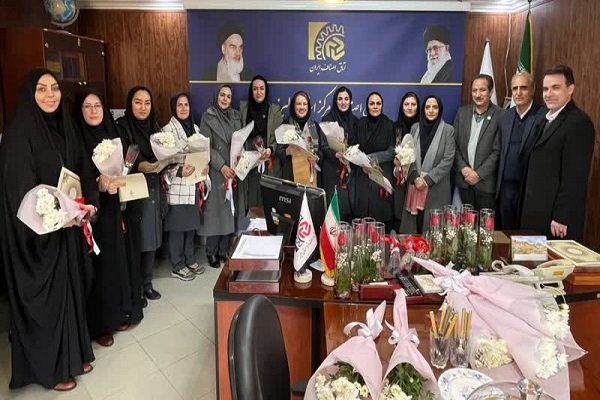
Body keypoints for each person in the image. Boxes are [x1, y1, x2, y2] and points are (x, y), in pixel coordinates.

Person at [0, 69, 97, 391]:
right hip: (37, 239)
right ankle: (50, 370)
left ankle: (73, 356)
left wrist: (87, 203)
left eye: (54, 88)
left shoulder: (64, 126)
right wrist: (55, 218)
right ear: (30, 94)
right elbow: (19, 191)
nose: (50, 95)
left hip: (67, 231)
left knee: (71, 294)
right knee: (49, 302)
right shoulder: (19, 133)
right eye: (41, 89)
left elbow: (82, 169)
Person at [72, 87, 144, 348]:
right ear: (79, 111)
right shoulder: (76, 138)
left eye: (97, 106)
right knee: (98, 267)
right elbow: (75, 174)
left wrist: (119, 177)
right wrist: (98, 183)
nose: (93, 111)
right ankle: (100, 324)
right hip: (90, 213)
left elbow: (124, 165)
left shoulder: (112, 133)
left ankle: (119, 312)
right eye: (87, 107)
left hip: (113, 208)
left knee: (115, 260)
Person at [520, 65, 595, 242]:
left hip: (555, 222)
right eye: (545, 89)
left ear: (570, 89)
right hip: (535, 212)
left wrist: (562, 216)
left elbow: (575, 176)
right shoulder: (545, 118)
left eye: (555, 88)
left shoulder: (579, 123)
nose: (548, 94)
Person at [115, 86, 164, 302]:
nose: (143, 107)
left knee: (150, 236)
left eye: (147, 103)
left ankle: (147, 283)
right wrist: (139, 166)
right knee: (135, 239)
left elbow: (163, 153)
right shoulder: (121, 127)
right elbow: (119, 159)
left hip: (153, 187)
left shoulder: (155, 127)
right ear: (130, 104)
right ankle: (135, 288)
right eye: (138, 102)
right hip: (133, 191)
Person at [197, 85, 246, 268]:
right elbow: (205, 146)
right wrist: (222, 166)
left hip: (233, 171)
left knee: (229, 213)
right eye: (222, 95)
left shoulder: (236, 116)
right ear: (216, 96)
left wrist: (239, 161)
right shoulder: (208, 116)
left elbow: (241, 140)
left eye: (228, 96)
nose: (225, 99)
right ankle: (211, 252)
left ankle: (223, 249)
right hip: (217, 171)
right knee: (215, 214)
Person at [162, 93, 208, 281]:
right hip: (177, 187)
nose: (183, 108)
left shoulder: (195, 128)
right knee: (177, 228)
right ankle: (177, 265)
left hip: (193, 184)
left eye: (186, 105)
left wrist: (204, 166)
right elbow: (164, 163)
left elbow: (202, 154)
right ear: (173, 108)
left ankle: (190, 258)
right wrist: (180, 171)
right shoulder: (167, 131)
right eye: (179, 105)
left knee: (190, 227)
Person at [399, 96, 455, 234]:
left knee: (432, 231)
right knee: (413, 229)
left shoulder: (448, 130)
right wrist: (415, 178)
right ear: (423, 109)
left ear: (440, 110)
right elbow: (408, 156)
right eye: (427, 107)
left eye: (435, 107)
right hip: (415, 185)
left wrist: (426, 180)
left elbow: (448, 160)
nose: (431, 110)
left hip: (436, 189)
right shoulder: (415, 128)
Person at [496, 72, 542, 229]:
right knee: (506, 232)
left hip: (528, 190)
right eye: (515, 88)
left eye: (524, 88)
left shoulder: (543, 116)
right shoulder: (505, 117)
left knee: (526, 234)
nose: (518, 92)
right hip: (505, 189)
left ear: (533, 89)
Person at [454, 74, 503, 211]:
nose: (478, 94)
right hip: (464, 181)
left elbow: (498, 151)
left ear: (491, 92)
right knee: (466, 222)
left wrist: (478, 174)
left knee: (485, 223)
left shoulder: (501, 115)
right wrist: (464, 169)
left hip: (486, 185)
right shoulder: (462, 113)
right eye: (474, 90)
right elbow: (454, 145)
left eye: (482, 90)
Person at [348, 92, 396, 230]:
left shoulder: (389, 125)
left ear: (382, 106)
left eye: (378, 103)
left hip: (380, 176)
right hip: (362, 176)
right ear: (367, 106)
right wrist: (361, 160)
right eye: (372, 103)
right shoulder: (360, 124)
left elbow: (392, 151)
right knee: (362, 220)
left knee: (379, 220)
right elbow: (352, 147)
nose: (375, 106)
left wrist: (371, 158)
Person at [239, 75, 283, 209]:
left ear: (266, 90)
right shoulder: (243, 109)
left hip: (268, 161)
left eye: (262, 88)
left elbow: (279, 137)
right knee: (251, 199)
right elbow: (238, 132)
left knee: (268, 200)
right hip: (249, 162)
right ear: (251, 91)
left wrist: (271, 149)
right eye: (255, 89)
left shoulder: (274, 110)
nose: (258, 92)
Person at [276, 91, 335, 188]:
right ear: (293, 106)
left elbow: (323, 150)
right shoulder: (285, 125)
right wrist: (287, 151)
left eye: (304, 104)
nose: (302, 107)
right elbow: (278, 151)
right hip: (291, 176)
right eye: (298, 104)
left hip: (311, 176)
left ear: (308, 106)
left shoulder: (315, 126)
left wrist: (316, 157)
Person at [322, 86, 358, 220]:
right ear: (335, 101)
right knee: (334, 212)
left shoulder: (356, 121)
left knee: (349, 210)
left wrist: (351, 154)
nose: (343, 102)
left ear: (350, 101)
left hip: (350, 173)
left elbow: (358, 144)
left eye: (346, 99)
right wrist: (336, 154)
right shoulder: (327, 119)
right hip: (332, 172)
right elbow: (323, 146)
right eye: (340, 99)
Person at [393, 92, 420, 231]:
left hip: (417, 182)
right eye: (406, 104)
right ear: (401, 106)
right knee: (399, 218)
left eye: (413, 104)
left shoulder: (422, 128)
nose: (409, 108)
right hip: (399, 182)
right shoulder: (395, 128)